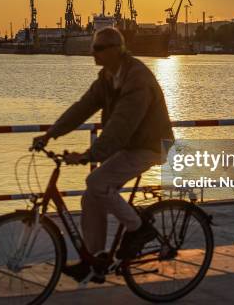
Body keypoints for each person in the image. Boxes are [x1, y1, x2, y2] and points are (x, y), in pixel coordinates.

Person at [32, 27, 174, 282]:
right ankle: (93, 260)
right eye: (93, 48)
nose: (92, 52)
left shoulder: (136, 78)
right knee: (91, 197)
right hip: (130, 145)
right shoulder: (107, 78)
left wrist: (89, 155)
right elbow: (82, 108)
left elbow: (122, 124)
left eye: (98, 48)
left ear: (115, 50)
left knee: (96, 182)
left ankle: (139, 229)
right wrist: (50, 134)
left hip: (150, 146)